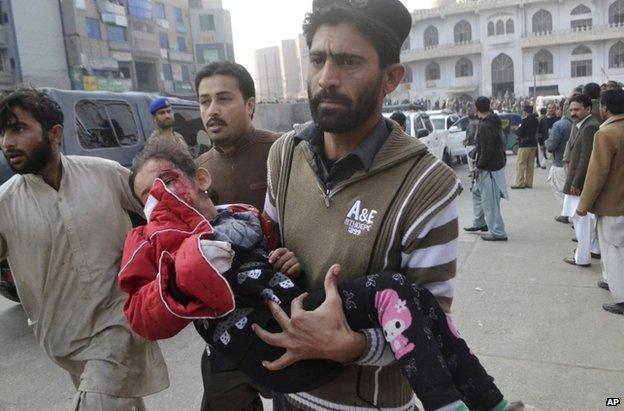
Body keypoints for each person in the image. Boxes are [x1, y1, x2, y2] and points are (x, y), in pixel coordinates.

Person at [120, 139, 523, 411]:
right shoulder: (152, 242)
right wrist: (193, 262)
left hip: (308, 318)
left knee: (407, 297)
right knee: (390, 293)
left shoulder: (242, 216)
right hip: (274, 345)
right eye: (146, 196)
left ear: (201, 179)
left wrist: (286, 258)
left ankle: (487, 400)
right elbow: (141, 313)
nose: (160, 197)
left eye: (167, 182)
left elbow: (277, 254)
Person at [260, 1, 468, 409]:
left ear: (390, 78)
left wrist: (349, 345)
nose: (326, 79)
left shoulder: (427, 185)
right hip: (287, 394)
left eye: (349, 62)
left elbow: (431, 324)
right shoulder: (284, 155)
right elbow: (265, 248)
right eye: (317, 59)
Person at [0, 88, 168, 410]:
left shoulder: (104, 173)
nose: (7, 142)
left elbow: (160, 203)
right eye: (3, 131)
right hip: (64, 340)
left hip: (120, 323)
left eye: (18, 128)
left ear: (55, 134)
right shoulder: (5, 204)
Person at [192, 61, 280, 410]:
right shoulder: (198, 172)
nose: (212, 110)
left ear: (250, 104)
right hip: (226, 329)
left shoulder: (283, 152)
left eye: (223, 98)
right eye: (204, 101)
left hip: (286, 317)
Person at [577, 89, 624, 314]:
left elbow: (596, 174)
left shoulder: (606, 134)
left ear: (604, 108)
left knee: (613, 250)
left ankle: (621, 297)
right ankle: (613, 282)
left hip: (613, 204)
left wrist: (583, 205)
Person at [561, 94, 601, 267]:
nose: (573, 113)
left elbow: (586, 158)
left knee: (581, 222)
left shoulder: (590, 127)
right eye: (571, 110)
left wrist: (577, 183)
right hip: (579, 181)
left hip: (580, 184)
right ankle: (590, 251)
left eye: (577, 109)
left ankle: (582, 258)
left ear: (588, 109)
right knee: (583, 222)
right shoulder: (581, 125)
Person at [463, 97, 508, 241]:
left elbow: (487, 151)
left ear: (476, 109)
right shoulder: (493, 121)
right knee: (477, 193)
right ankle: (480, 222)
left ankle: (498, 232)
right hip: (494, 165)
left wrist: (478, 167)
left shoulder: (485, 126)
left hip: (489, 169)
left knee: (490, 203)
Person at [545, 103, 573, 223]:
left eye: (556, 108)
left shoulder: (559, 125)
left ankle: (566, 213)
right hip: (573, 163)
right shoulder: (578, 124)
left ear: (562, 110)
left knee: (560, 189)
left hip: (560, 163)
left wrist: (546, 141)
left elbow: (551, 146)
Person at [511, 104, 538, 189]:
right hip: (533, 144)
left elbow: (520, 132)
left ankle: (519, 183)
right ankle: (529, 183)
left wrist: (516, 130)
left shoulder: (525, 120)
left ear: (525, 112)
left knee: (521, 164)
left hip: (524, 144)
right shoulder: (536, 120)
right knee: (530, 165)